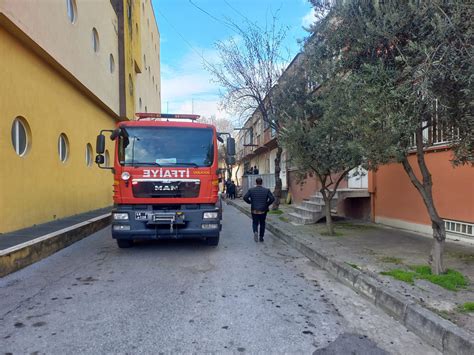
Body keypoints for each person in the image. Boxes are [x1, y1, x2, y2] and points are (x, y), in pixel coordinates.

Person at [243, 177, 275, 242]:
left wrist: (250, 202)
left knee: (255, 222)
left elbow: (245, 197)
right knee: (262, 223)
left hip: (254, 209)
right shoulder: (266, 190)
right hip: (263, 210)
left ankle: (255, 231)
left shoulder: (251, 190)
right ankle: (261, 237)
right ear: (262, 182)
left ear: (256, 182)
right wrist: (267, 204)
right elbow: (272, 199)